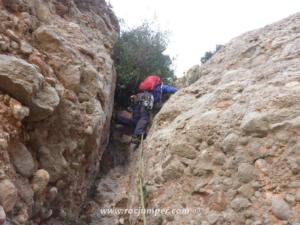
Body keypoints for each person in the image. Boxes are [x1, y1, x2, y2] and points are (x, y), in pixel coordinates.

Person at [117, 76, 177, 148]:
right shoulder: (160, 87)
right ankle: (137, 135)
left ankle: (119, 118)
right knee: (144, 118)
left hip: (139, 101)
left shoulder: (146, 90)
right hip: (146, 102)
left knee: (136, 121)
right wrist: (179, 91)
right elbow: (171, 89)